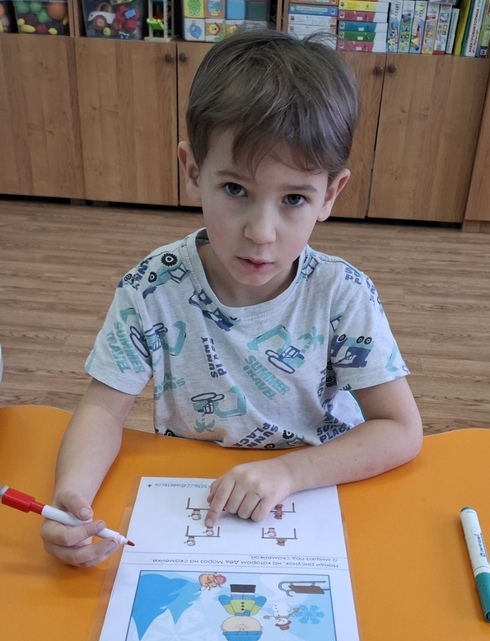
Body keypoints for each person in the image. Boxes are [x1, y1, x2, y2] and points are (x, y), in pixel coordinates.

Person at [41, 29, 422, 566]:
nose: (261, 232)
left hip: (314, 492)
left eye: (294, 198)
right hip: (193, 501)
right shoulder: (150, 288)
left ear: (330, 195)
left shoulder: (342, 295)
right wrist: (72, 499)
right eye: (235, 190)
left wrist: (288, 472)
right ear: (193, 171)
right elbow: (103, 410)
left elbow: (400, 430)